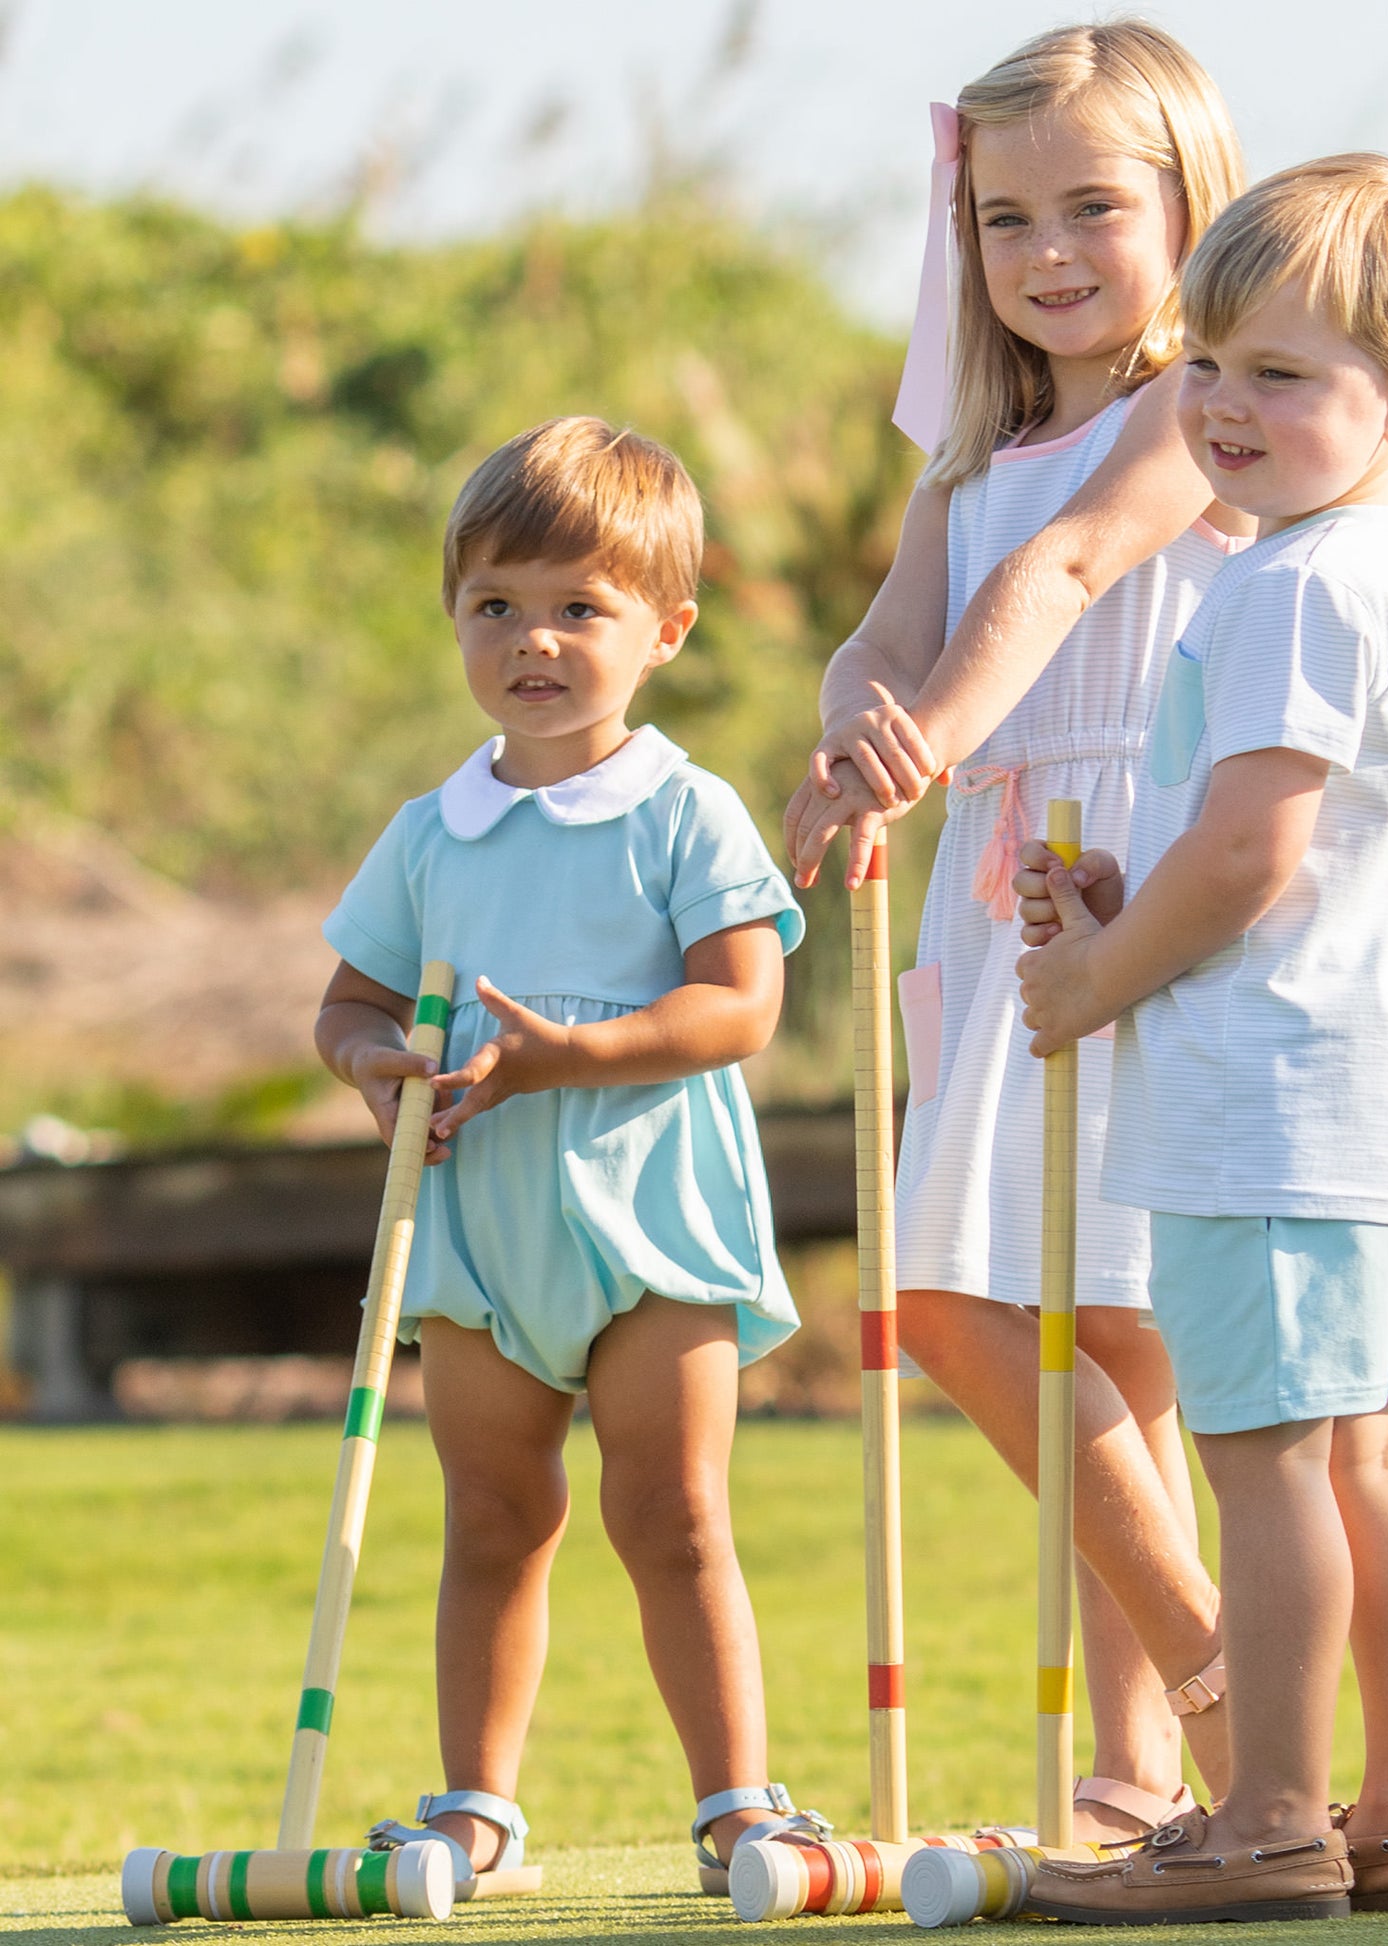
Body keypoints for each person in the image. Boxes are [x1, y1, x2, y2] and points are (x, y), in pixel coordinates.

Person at [1013, 155, 1388, 1921]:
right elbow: (1256, 850)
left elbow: (1249, 856)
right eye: (1206, 363)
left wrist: (1098, 976)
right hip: (1367, 1099)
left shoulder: (1290, 582)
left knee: (1268, 1453)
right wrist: (1131, 898)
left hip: (1276, 1100)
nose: (1220, 407)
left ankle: (1275, 1818)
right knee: (1366, 1446)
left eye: (1280, 378)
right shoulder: (1354, 563)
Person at [783, 22, 1249, 1838]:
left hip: (1110, 870)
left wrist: (934, 740)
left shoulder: (1191, 407)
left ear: (1184, 206)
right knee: (1101, 1340)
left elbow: (1065, 582)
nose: (1045, 251)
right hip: (998, 895)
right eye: (1002, 217)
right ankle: (1139, 1780)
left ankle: (1226, 1691)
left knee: (961, 1310)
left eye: (1090, 207)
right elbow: (887, 639)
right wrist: (857, 731)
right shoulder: (971, 461)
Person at [314, 417, 828, 1898]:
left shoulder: (684, 808)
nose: (533, 638)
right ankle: (476, 1808)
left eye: (579, 607)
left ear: (663, 629)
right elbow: (347, 1002)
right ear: (455, 615)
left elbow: (741, 1004)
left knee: (668, 1510)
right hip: (481, 1231)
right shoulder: (432, 833)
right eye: (496, 604)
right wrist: (369, 1063)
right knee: (492, 1514)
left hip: (650, 1222)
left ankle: (741, 1805)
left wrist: (567, 1057)